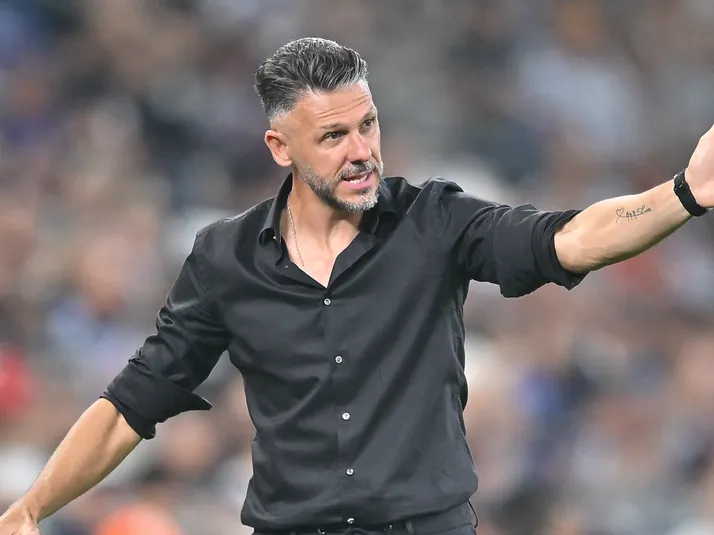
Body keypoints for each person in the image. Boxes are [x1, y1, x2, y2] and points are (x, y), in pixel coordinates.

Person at [1, 37, 714, 535]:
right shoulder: (225, 258)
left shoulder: (434, 220)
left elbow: (569, 239)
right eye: (333, 136)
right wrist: (32, 506)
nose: (362, 151)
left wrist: (685, 192)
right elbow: (132, 404)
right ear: (280, 148)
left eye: (367, 125)